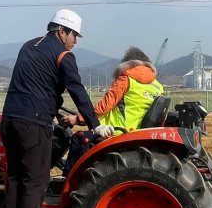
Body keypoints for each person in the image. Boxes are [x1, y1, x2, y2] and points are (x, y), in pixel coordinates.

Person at [1, 9, 113, 208]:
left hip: (9, 119)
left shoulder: (28, 46)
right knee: (36, 180)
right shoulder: (63, 55)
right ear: (62, 31)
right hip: (34, 124)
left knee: (16, 178)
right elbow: (77, 91)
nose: (75, 42)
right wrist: (95, 125)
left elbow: (36, 84)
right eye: (75, 36)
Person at [62, 46, 164, 175]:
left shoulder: (126, 79)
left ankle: (70, 181)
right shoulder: (158, 86)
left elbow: (103, 107)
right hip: (137, 133)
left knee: (78, 138)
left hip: (117, 132)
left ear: (128, 64)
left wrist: (77, 119)